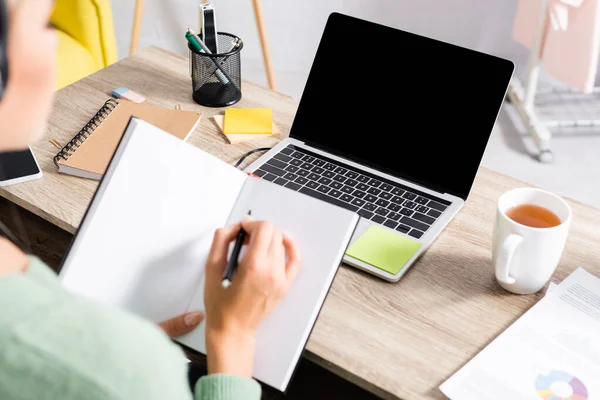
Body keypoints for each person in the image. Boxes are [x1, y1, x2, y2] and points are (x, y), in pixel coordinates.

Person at [0, 1, 301, 399]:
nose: (53, 40)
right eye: (41, 23)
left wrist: (121, 347)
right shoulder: (127, 374)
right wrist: (233, 336)